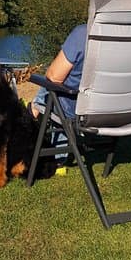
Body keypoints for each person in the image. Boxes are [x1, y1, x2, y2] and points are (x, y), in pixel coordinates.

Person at [29, 22, 88, 163]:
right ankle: (34, 108)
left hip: (78, 110)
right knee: (59, 84)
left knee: (52, 83)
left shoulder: (84, 33)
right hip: (120, 110)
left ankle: (33, 110)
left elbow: (53, 77)